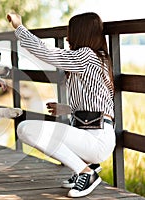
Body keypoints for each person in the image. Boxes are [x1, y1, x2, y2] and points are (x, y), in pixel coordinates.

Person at [7, 12, 115, 198]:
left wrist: (19, 28)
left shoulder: (87, 56)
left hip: (96, 140)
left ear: (81, 33)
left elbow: (48, 54)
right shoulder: (98, 59)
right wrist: (66, 109)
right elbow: (100, 101)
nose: (67, 38)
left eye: (71, 32)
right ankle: (84, 167)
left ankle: (86, 173)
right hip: (93, 136)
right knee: (30, 130)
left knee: (25, 129)